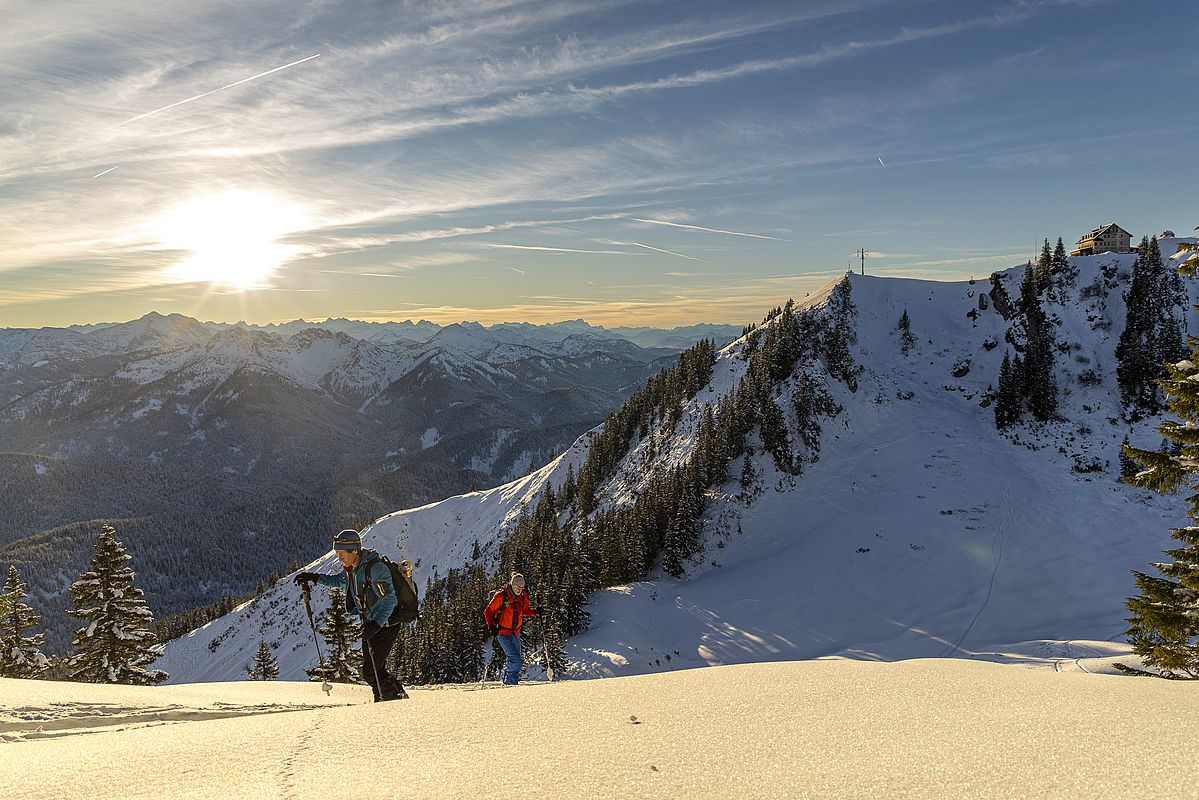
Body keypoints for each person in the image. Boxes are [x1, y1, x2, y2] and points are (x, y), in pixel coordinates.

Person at [295, 529, 408, 702]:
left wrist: (376, 624)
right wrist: (314, 577)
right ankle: (385, 699)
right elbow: (339, 581)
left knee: (371, 672)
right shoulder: (353, 569)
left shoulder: (375, 568)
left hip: (386, 625)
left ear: (354, 550)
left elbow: (390, 600)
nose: (339, 558)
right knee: (375, 669)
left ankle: (395, 699)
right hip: (370, 623)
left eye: (341, 553)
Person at [483, 573, 540, 685]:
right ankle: (510, 683)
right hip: (502, 632)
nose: (520, 590)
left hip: (515, 632)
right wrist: (491, 626)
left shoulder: (523, 596)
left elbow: (525, 610)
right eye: (517, 587)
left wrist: (535, 612)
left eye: (522, 588)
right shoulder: (501, 596)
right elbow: (488, 611)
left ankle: (509, 684)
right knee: (516, 660)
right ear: (512, 584)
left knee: (515, 659)